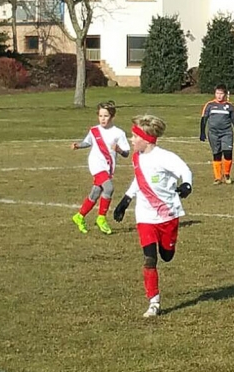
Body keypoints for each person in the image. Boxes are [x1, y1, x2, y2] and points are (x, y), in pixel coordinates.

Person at [113, 114, 193, 318]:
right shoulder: (137, 157)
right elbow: (139, 180)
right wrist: (126, 199)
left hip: (168, 215)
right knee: (150, 258)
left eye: (134, 136)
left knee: (167, 256)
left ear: (146, 139)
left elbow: (185, 170)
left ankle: (169, 246)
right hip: (145, 216)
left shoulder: (164, 157)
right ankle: (154, 302)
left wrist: (186, 185)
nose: (131, 140)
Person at [71, 101, 130, 235]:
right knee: (109, 188)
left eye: (106, 116)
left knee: (96, 192)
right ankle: (101, 218)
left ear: (112, 116)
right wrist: (78, 145)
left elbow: (126, 153)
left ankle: (79, 216)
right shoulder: (94, 130)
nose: (103, 119)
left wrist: (119, 150)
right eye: (100, 116)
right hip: (96, 164)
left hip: (108, 166)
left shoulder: (118, 133)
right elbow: (88, 142)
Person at [200, 84, 234, 184]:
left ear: (225, 94)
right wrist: (202, 132)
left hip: (226, 133)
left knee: (228, 153)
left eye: (221, 93)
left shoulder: (229, 106)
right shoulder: (209, 105)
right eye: (217, 93)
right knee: (217, 154)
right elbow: (204, 119)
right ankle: (218, 177)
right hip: (213, 133)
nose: (219, 96)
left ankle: (227, 174)